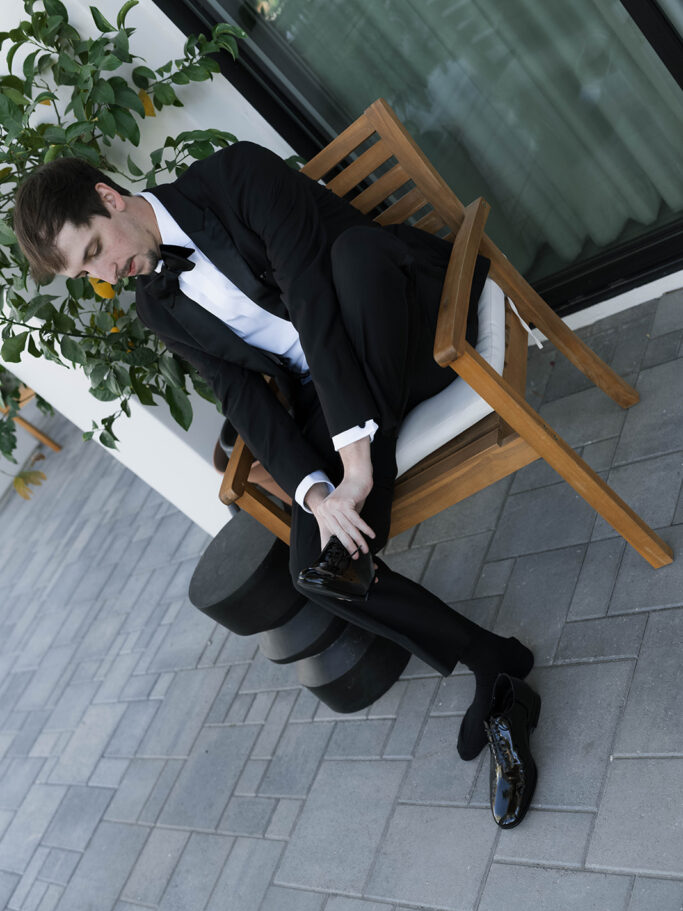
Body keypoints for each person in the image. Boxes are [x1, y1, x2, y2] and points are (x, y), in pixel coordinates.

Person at [13, 142, 537, 771]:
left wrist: (358, 464)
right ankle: (491, 660)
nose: (105, 274)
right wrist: (317, 492)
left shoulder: (235, 175)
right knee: (313, 569)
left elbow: (315, 301)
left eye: (95, 250)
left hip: (411, 323)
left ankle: (373, 466)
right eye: (85, 274)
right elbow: (242, 399)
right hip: (348, 393)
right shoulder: (157, 306)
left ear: (108, 198)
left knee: (354, 257)